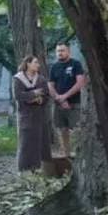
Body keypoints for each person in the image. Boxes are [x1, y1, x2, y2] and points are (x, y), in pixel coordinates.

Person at [46, 42, 86, 179]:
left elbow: (80, 82)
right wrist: (59, 98)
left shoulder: (76, 64)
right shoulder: (54, 67)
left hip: (74, 103)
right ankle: (67, 156)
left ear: (68, 51)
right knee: (62, 130)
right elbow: (50, 85)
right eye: (58, 51)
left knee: (77, 129)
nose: (59, 53)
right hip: (59, 105)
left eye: (62, 51)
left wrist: (66, 97)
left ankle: (79, 155)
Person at [13, 54, 50, 174]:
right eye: (35, 63)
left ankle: (37, 168)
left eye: (38, 63)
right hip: (26, 115)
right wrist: (33, 94)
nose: (38, 65)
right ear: (28, 64)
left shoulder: (41, 79)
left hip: (39, 115)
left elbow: (45, 94)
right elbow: (18, 96)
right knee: (26, 142)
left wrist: (40, 100)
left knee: (39, 141)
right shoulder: (18, 79)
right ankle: (23, 169)